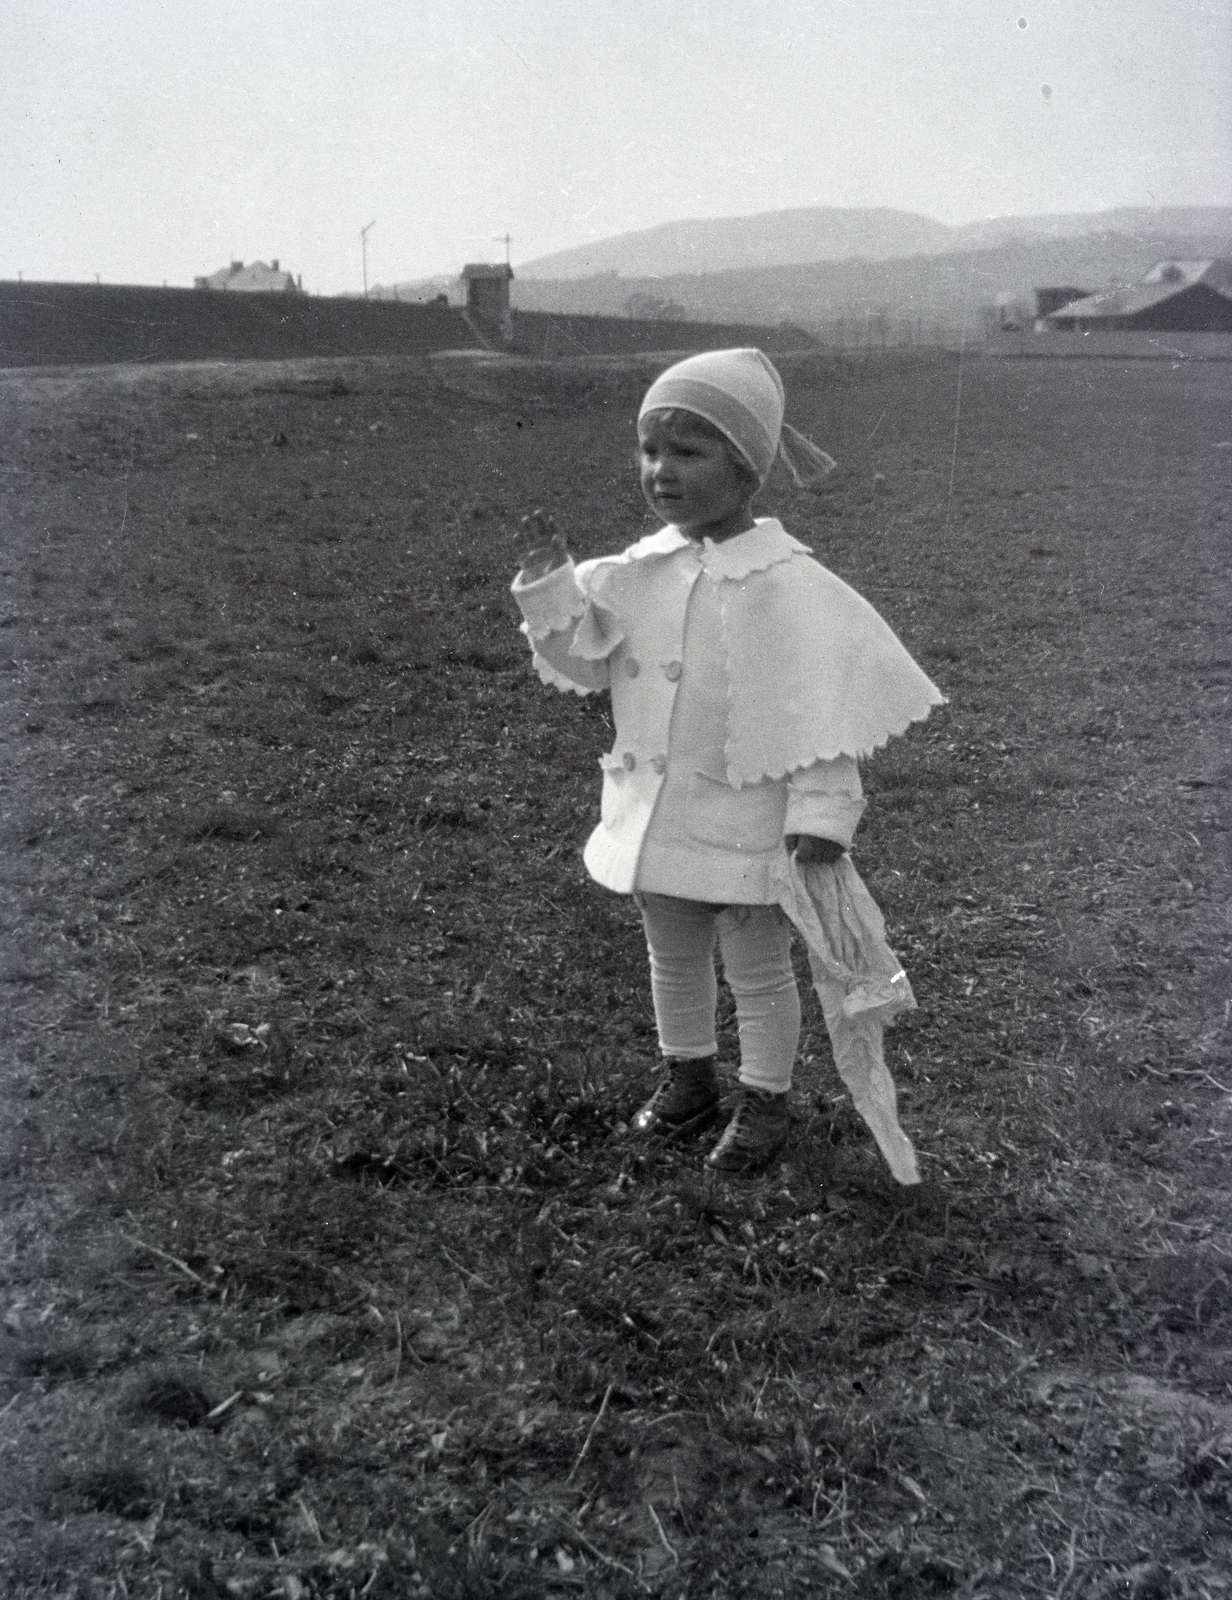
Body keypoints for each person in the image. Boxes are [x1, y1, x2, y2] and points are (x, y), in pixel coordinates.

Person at [511, 349, 943, 1174]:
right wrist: (550, 592)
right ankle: (688, 1080)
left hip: (753, 820)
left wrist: (822, 814)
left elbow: (825, 709)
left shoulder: (792, 587)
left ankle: (765, 1102)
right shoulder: (637, 574)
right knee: (670, 955)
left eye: (689, 451)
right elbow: (583, 661)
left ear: (747, 470)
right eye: (651, 450)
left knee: (757, 970)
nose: (661, 471)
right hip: (659, 813)